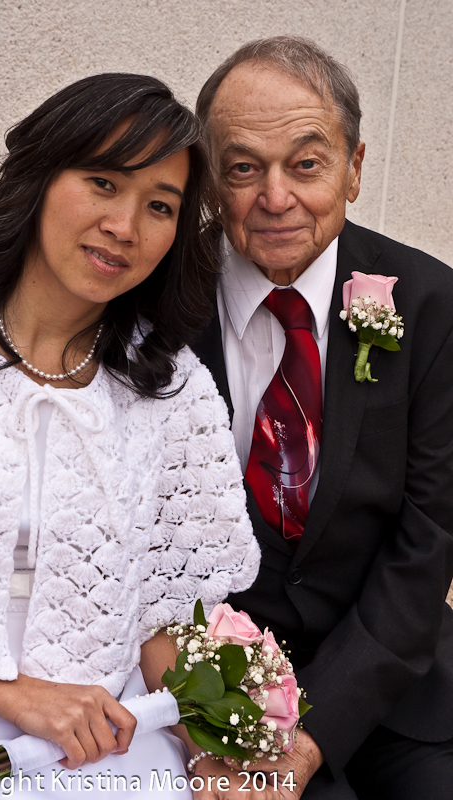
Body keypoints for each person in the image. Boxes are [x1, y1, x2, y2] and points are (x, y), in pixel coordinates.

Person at [0, 73, 260, 797]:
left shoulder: (170, 389)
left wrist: (220, 751)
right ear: (41, 176)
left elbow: (162, 619)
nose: (125, 227)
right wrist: (17, 697)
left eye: (160, 206)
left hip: (97, 746)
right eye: (104, 183)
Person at [192, 36, 453, 800]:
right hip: (221, 697)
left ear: (354, 168)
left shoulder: (429, 304)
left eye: (306, 164)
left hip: (396, 685)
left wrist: (312, 736)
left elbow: (427, 541)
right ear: (210, 181)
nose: (276, 198)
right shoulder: (158, 307)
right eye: (244, 168)